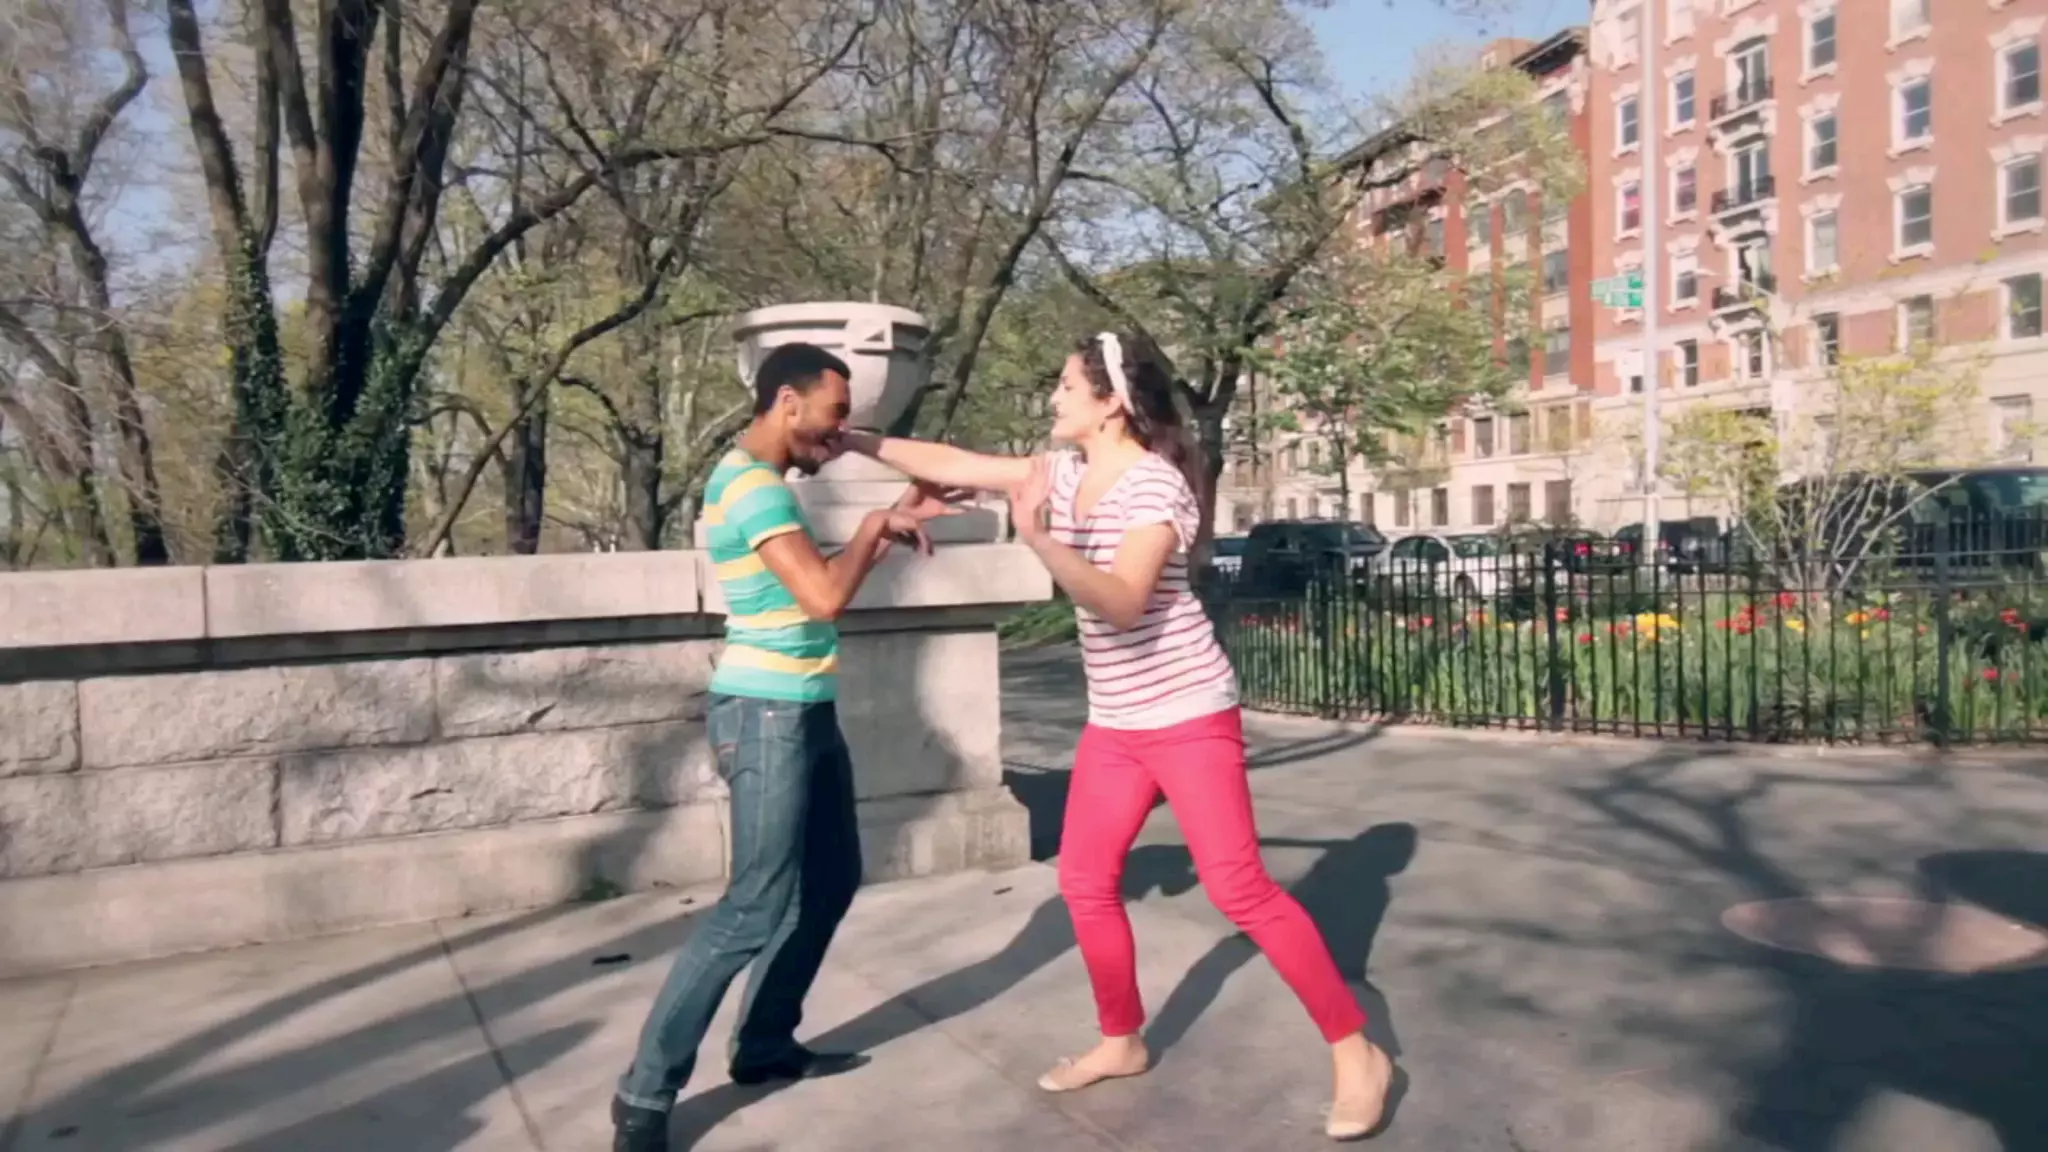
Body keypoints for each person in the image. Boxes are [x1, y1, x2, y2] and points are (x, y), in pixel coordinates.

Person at [836, 332, 1396, 1141]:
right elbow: (955, 462)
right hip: (1118, 721)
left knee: (1239, 889)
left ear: (1110, 403)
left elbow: (1125, 603)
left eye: (1067, 386)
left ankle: (1356, 1052)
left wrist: (1039, 538)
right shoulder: (1062, 472)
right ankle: (1121, 1039)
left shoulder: (1154, 487)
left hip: (1189, 713)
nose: (1053, 398)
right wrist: (850, 440)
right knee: (1086, 881)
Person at [612, 342, 959, 1152]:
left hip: (804, 706)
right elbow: (825, 596)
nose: (838, 432)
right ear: (786, 403)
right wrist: (873, 526)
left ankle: (765, 1043)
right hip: (767, 714)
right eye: (834, 415)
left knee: (830, 880)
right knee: (752, 907)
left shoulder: (763, 484)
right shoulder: (753, 488)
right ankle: (643, 1096)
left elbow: (815, 584)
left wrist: (902, 507)